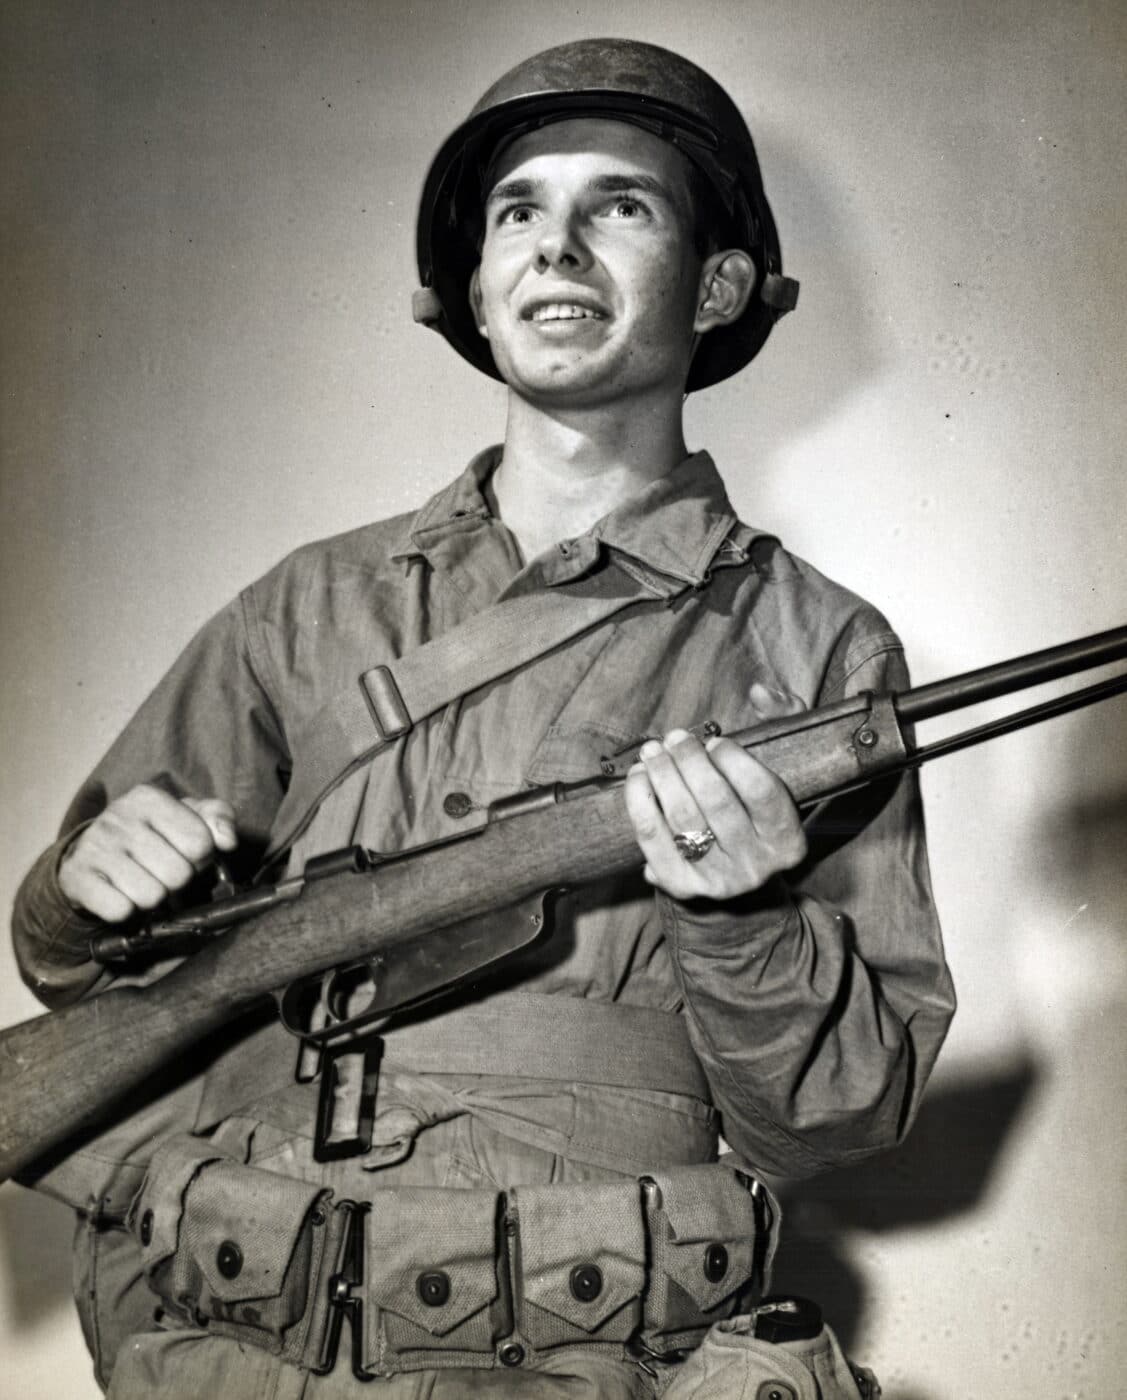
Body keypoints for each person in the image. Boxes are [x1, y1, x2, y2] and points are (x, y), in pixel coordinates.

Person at [11, 37, 954, 1400]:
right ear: (472, 284)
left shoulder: (821, 648)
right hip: (241, 1339)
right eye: (520, 210)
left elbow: (846, 1115)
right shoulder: (306, 605)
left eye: (620, 205)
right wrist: (75, 893)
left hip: (581, 1349)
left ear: (722, 282)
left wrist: (741, 922)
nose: (556, 247)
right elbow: (83, 980)